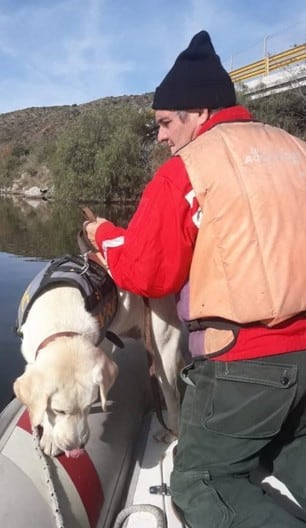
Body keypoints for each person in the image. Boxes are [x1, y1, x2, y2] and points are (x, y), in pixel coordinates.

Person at [85, 30, 306, 527]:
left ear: (200, 113)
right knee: (294, 446)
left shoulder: (188, 169)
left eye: (165, 122)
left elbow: (148, 272)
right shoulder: (296, 149)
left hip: (246, 366)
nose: (161, 135)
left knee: (199, 482)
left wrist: (104, 235)